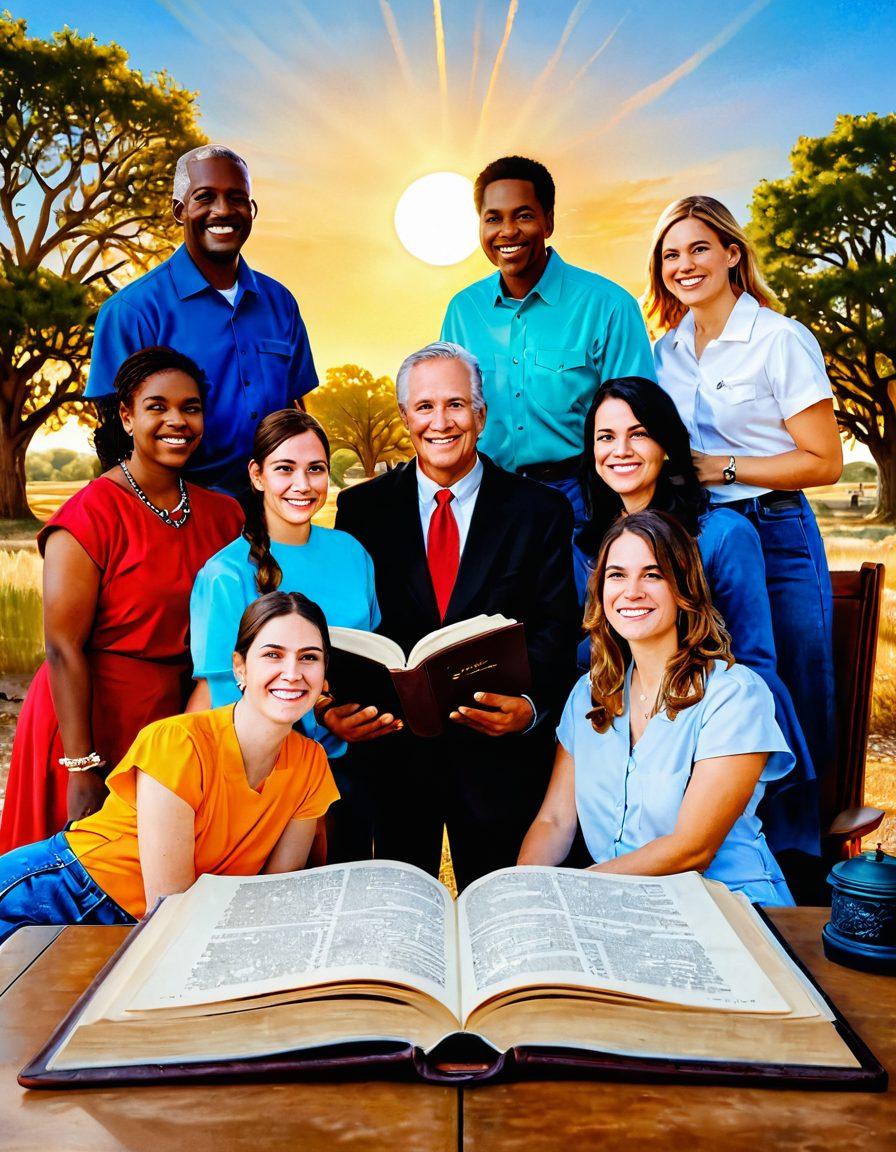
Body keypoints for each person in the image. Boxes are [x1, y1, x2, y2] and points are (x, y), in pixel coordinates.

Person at [335, 341, 580, 891]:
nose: (440, 422)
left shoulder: (540, 511)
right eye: (424, 407)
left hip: (500, 753)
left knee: (503, 915)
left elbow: (556, 628)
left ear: (481, 414)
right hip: (392, 753)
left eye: (456, 405)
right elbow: (352, 632)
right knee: (394, 917)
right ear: (404, 418)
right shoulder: (361, 511)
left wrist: (530, 709)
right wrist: (340, 709)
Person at [647, 195, 841, 872]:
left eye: (699, 248)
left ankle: (807, 852)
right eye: (671, 254)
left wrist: (722, 466)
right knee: (718, 676)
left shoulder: (779, 338)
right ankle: (722, 834)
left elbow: (825, 459)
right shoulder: (663, 351)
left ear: (733, 253)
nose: (684, 264)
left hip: (775, 521)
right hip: (698, 534)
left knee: (790, 679)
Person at [0, 348, 244, 854]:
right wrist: (81, 767)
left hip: (178, 719)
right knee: (73, 891)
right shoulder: (89, 515)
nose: (176, 420)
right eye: (157, 407)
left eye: (191, 407)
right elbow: (62, 647)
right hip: (86, 720)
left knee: (162, 883)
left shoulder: (225, 516)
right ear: (127, 417)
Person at [0, 592, 339, 944]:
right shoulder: (178, 742)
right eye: (273, 654)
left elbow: (269, 898)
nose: (292, 673)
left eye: (308, 658)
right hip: (60, 896)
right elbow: (168, 908)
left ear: (324, 671)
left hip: (151, 929)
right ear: (240, 666)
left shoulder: (311, 764)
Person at [576, 376, 819, 863]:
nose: (620, 450)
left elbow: (753, 661)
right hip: (624, 727)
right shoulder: (589, 545)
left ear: (667, 445)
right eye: (606, 437)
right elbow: (592, 653)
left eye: (639, 433)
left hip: (714, 736)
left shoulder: (725, 534)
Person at [518, 510, 795, 907]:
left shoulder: (734, 695)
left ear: (684, 588)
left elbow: (692, 849)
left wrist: (574, 891)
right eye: (616, 575)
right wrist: (523, 892)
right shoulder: (589, 694)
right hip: (620, 905)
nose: (632, 591)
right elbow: (554, 822)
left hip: (727, 904)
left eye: (653, 574)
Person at [189, 409, 391, 862]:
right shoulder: (224, 575)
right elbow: (225, 699)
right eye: (285, 469)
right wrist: (322, 723)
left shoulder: (352, 553)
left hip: (354, 770)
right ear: (257, 475)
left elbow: (369, 659)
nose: (303, 484)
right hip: (268, 776)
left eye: (315, 469)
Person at [84, 144, 317, 502]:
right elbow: (115, 440)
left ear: (251, 210)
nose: (222, 210)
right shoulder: (131, 311)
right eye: (205, 197)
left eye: (237, 198)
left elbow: (297, 411)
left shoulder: (281, 302)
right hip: (178, 518)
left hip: (272, 513)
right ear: (180, 210)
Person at [440, 155, 654, 534]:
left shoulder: (608, 306)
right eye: (493, 218)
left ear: (549, 221)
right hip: (487, 501)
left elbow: (640, 422)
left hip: (580, 502)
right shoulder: (463, 310)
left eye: (523, 215)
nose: (507, 231)